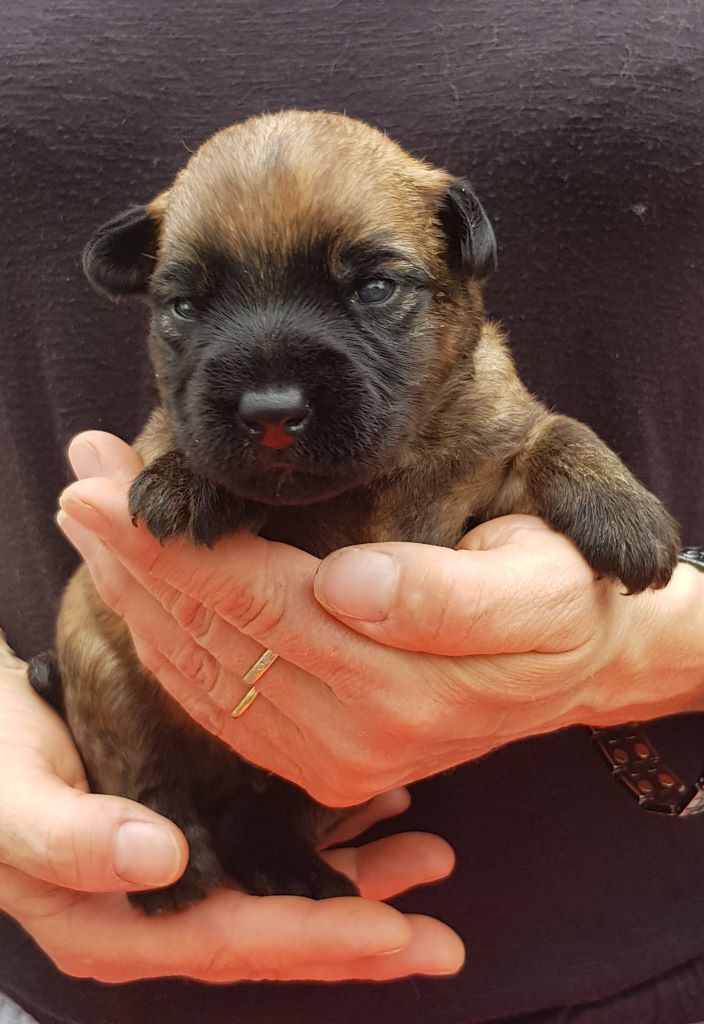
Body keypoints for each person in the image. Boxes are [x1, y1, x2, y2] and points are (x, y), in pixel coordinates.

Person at [1, 1, 703, 1022]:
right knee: (101, 646)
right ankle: (168, 819)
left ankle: (269, 828)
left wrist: (667, 634)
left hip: (627, 925)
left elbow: (523, 447)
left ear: (461, 262)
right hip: (79, 910)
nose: (270, 394)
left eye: (372, 289)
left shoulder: (479, 401)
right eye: (191, 304)